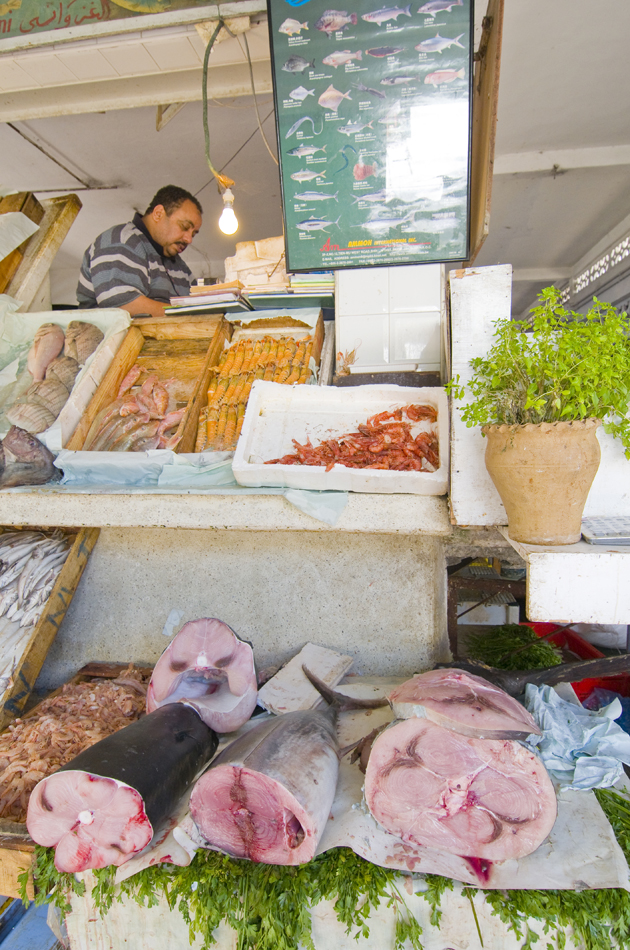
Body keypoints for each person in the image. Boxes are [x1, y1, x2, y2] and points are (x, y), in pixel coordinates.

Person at [76, 185, 203, 318]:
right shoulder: (121, 240)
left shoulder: (179, 265)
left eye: (193, 234)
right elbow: (123, 305)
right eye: (184, 227)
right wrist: (188, 314)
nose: (189, 239)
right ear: (158, 214)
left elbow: (199, 304)